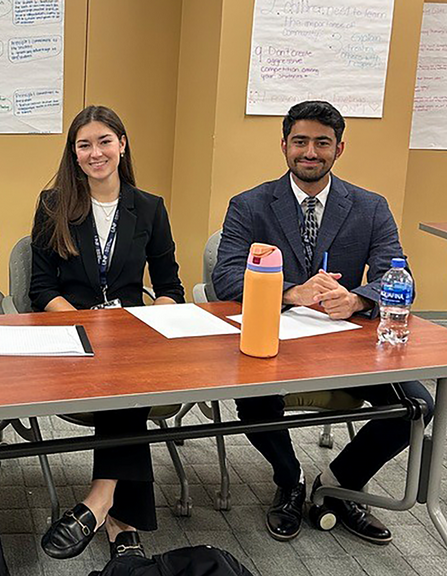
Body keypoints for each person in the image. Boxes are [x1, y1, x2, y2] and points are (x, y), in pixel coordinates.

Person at [213, 100, 434, 545]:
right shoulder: (250, 204)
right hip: (274, 341)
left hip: (345, 347)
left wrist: (355, 299)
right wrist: (292, 292)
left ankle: (336, 484)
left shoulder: (370, 207)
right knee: (255, 403)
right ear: (284, 146)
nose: (309, 151)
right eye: (300, 142)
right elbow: (225, 277)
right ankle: (290, 479)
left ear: (339, 148)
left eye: (321, 142)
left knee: (418, 405)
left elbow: (398, 273)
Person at [31, 105, 184, 561]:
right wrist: (81, 324)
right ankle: (122, 524)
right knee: (127, 392)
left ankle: (99, 502)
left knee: (127, 382)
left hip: (131, 339)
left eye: (104, 141)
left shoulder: (150, 208)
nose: (95, 153)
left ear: (122, 145)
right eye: (84, 145)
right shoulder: (53, 205)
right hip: (71, 335)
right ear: (74, 153)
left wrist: (154, 317)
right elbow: (42, 287)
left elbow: (170, 285)